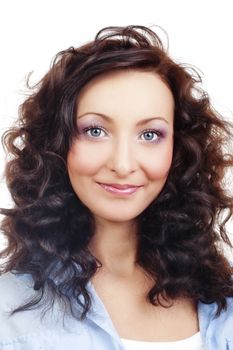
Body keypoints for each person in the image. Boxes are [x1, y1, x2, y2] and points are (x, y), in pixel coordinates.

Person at [0, 24, 233, 350]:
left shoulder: (221, 298)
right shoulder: (7, 313)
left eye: (150, 134)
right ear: (57, 143)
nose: (123, 165)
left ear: (178, 150)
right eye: (95, 131)